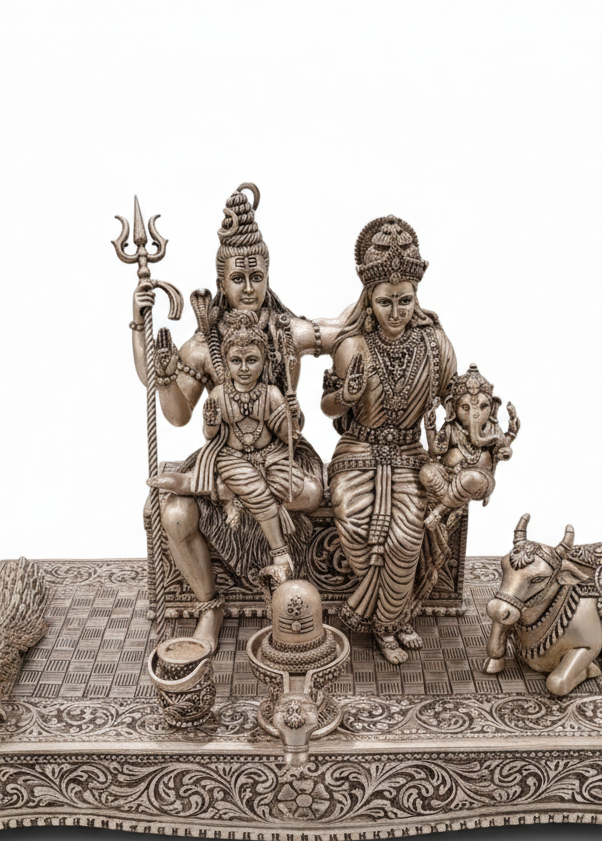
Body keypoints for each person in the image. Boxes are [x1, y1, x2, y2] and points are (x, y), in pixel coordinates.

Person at [132, 183, 347, 653]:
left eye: (256, 277)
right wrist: (148, 346)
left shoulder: (288, 331)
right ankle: (209, 606)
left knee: (309, 493)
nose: (248, 288)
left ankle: (271, 547)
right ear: (222, 281)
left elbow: (342, 331)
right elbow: (176, 415)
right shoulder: (202, 346)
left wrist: (381, 309)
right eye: (237, 278)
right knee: (175, 513)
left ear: (268, 275)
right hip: (224, 453)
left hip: (279, 451)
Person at [322, 217, 458, 664]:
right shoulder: (352, 345)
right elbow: (328, 407)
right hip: (356, 451)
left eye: (405, 301)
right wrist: (346, 396)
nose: (396, 312)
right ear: (369, 299)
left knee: (406, 534)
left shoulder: (435, 343)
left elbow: (455, 400)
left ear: (416, 297)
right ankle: (391, 619)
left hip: (409, 453)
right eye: (385, 302)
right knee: (355, 521)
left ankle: (389, 621)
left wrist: (470, 438)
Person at [155, 310, 302, 579]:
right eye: (236, 360)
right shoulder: (219, 394)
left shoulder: (271, 393)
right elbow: (211, 436)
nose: (244, 368)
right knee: (252, 483)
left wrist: (290, 416)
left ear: (264, 361)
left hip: (270, 457)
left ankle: (222, 491)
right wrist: (211, 424)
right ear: (226, 361)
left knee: (302, 489)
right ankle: (280, 552)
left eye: (251, 360)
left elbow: (288, 437)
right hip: (232, 458)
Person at [419, 364, 514, 528]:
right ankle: (455, 505)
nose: (475, 414)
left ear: (493, 407)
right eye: (465, 408)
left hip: (479, 481)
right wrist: (430, 426)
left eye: (483, 407)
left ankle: (440, 511)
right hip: (448, 478)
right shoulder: (451, 427)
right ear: (452, 408)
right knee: (426, 472)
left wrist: (507, 447)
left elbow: (502, 449)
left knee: (469, 478)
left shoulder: (491, 428)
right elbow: (435, 451)